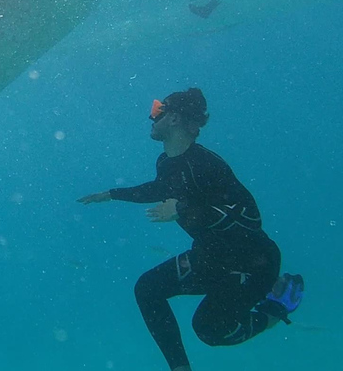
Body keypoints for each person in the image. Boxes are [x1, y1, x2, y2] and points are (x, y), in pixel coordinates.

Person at [78, 88, 303, 371]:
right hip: (210, 257)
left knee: (209, 329)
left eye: (157, 110)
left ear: (173, 118)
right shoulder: (166, 162)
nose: (151, 116)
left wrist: (182, 209)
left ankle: (276, 308)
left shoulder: (207, 165)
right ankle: (180, 369)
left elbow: (250, 220)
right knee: (147, 289)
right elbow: (160, 188)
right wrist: (111, 194)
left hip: (252, 261)